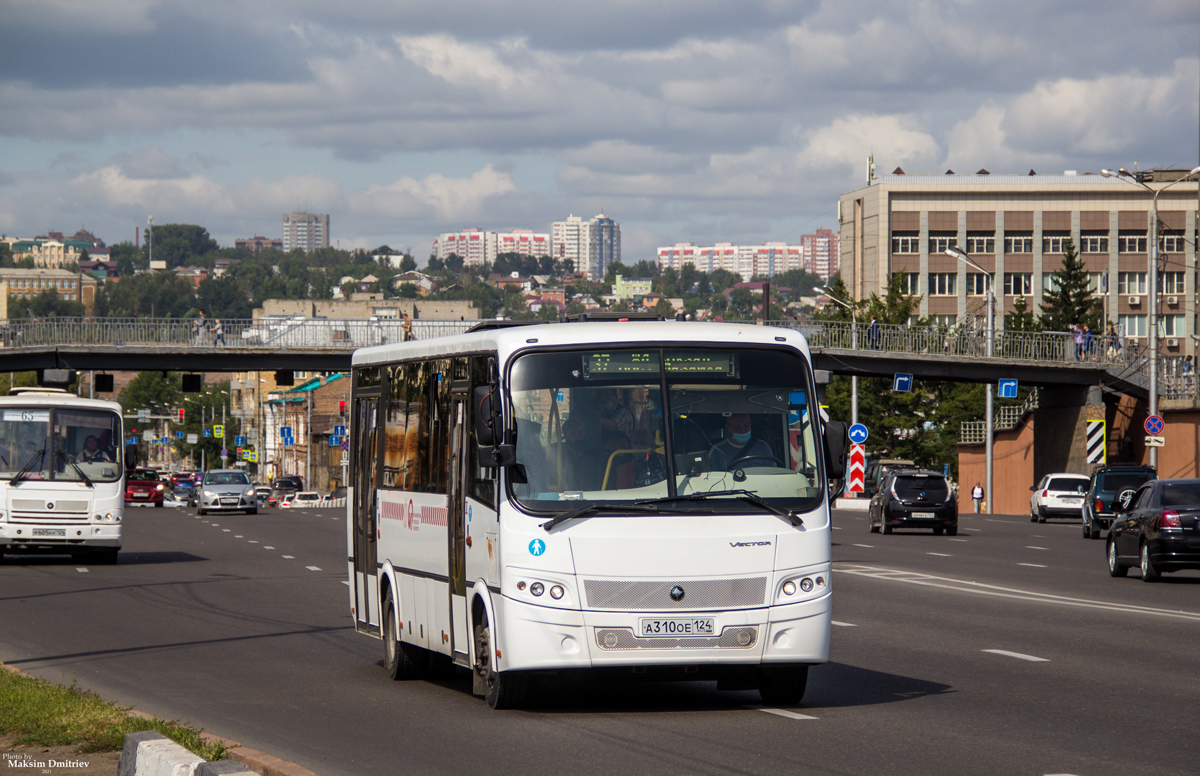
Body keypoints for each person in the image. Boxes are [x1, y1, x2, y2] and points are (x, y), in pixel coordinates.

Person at [708, 413, 773, 471]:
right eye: (737, 427)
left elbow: (773, 473)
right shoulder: (717, 451)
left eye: (746, 426)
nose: (743, 430)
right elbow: (712, 478)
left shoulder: (762, 447)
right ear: (728, 428)